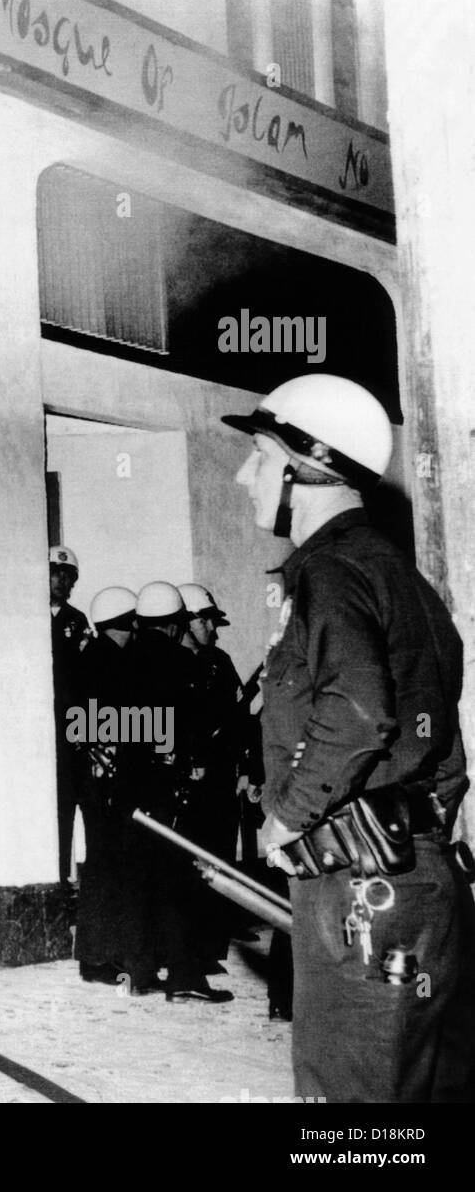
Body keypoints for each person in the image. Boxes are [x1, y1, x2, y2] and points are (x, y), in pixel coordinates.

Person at [225, 373, 475, 1101]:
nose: (245, 475)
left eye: (260, 457)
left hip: (358, 886)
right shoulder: (400, 576)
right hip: (417, 875)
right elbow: (435, 734)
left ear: (307, 465)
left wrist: (286, 816)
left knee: (350, 1111)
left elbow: (360, 713)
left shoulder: (331, 571)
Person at [126, 581, 233, 1005]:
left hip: (133, 790)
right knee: (181, 883)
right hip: (172, 790)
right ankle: (185, 976)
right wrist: (180, 756)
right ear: (174, 624)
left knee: (140, 882)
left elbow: (93, 723)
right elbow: (196, 728)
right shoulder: (181, 664)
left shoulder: (122, 660)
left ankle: (140, 972)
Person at [71, 585, 159, 993]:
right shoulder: (111, 664)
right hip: (111, 786)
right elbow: (120, 729)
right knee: (119, 872)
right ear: (127, 624)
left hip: (100, 786)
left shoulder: (92, 659)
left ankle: (95, 957)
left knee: (102, 871)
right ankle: (114, 956)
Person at [176, 583, 245, 966]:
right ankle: (191, 950)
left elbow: (240, 716)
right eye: (207, 621)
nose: (213, 630)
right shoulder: (171, 665)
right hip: (188, 779)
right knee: (190, 861)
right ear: (187, 620)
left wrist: (247, 767)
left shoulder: (219, 661)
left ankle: (212, 942)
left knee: (219, 855)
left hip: (220, 774)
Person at [50, 546, 89, 887]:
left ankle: (62, 875)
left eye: (67, 575)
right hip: (37, 725)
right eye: (55, 573)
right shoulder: (27, 614)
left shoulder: (75, 621)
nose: (61, 580)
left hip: (68, 727)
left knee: (65, 803)